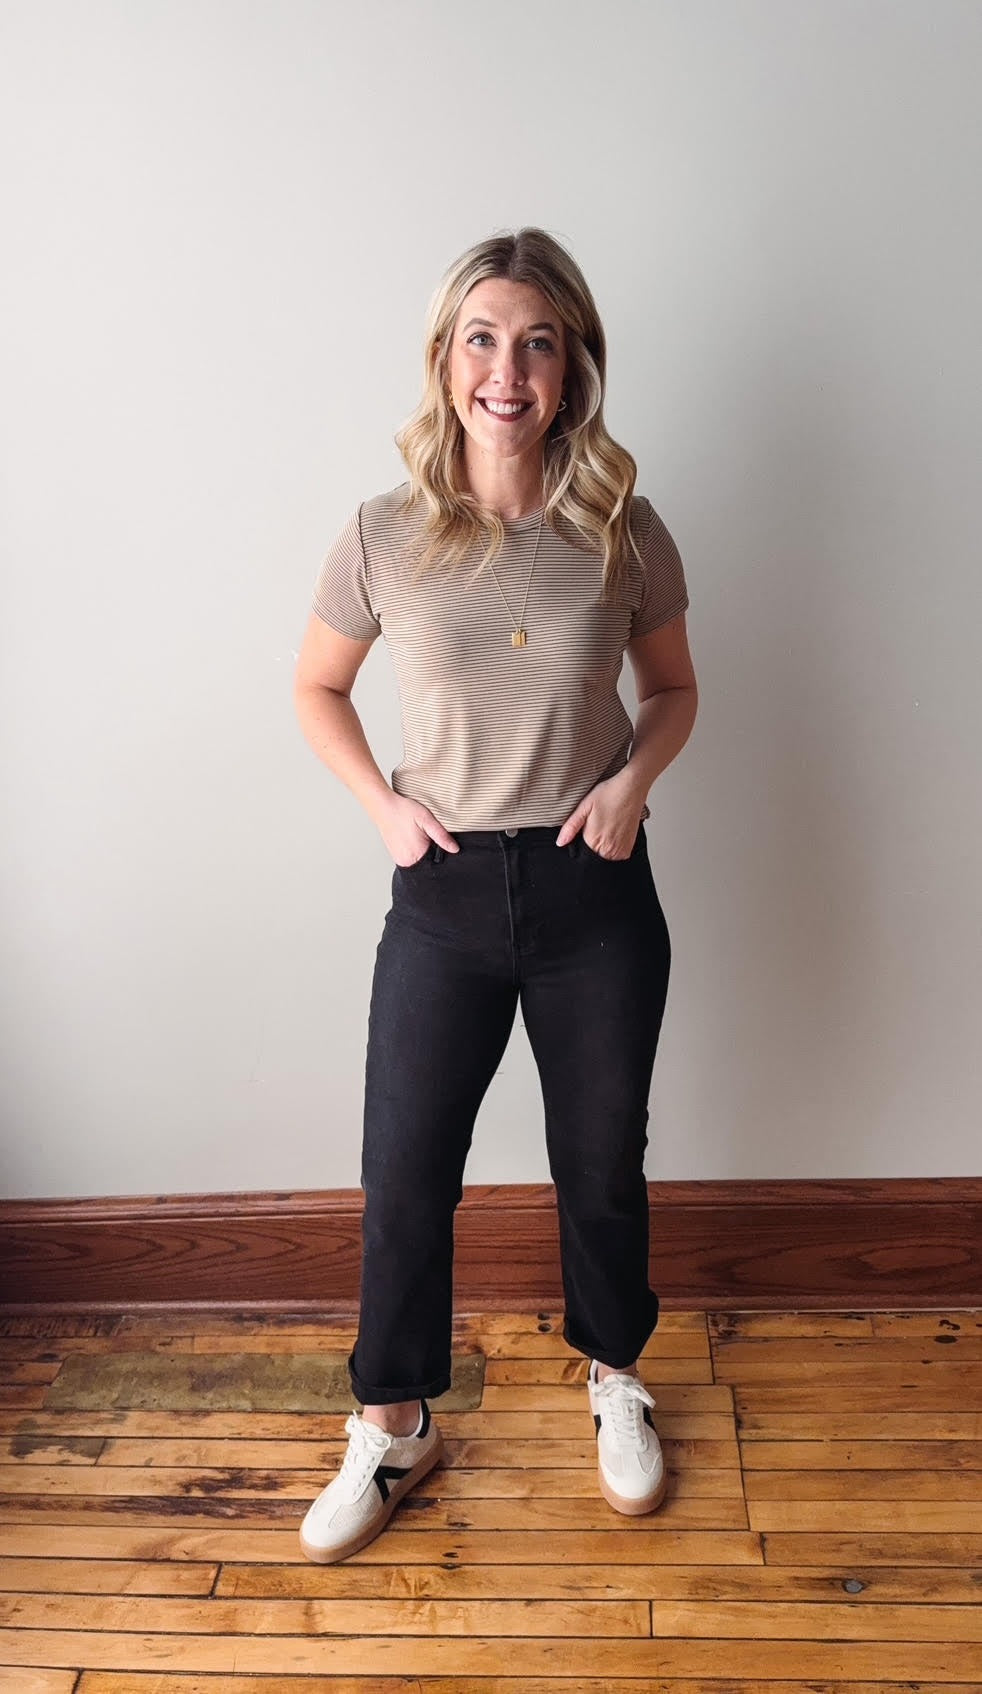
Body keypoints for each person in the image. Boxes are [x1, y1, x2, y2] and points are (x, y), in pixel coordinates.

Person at [292, 226, 698, 1563]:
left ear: (572, 363)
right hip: (444, 890)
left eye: (535, 340)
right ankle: (395, 1417)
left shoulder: (623, 526)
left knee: (598, 1163)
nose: (505, 368)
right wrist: (384, 809)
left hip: (594, 891)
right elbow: (314, 686)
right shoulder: (383, 532)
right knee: (403, 1166)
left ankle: (612, 1376)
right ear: (444, 360)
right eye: (481, 338)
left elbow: (676, 692)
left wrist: (635, 777)